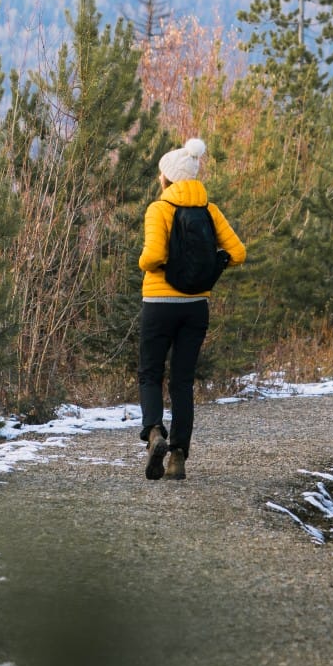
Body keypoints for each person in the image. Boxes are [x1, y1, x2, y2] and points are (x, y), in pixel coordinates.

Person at [137, 136, 246, 481]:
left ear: (167, 178)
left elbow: (153, 257)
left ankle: (155, 432)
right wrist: (207, 268)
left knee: (151, 373)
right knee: (182, 381)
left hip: (158, 304)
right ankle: (178, 457)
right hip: (196, 306)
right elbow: (238, 253)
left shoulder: (160, 209)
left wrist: (143, 263)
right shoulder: (210, 211)